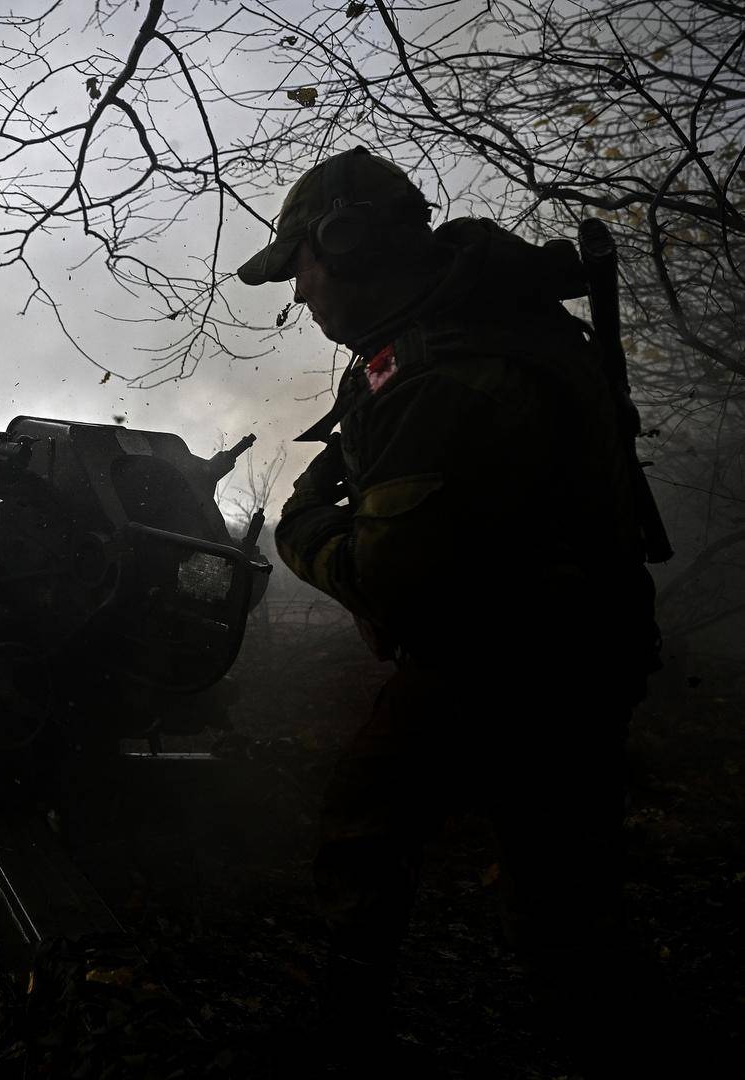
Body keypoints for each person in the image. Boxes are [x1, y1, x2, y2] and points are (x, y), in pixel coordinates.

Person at [237, 147, 661, 1072]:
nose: (300, 294)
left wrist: (300, 527)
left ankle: (353, 1036)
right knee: (566, 885)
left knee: (371, 836)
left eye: (301, 266)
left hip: (508, 664)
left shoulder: (446, 369)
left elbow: (393, 576)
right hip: (569, 644)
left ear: (344, 244)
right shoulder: (475, 323)